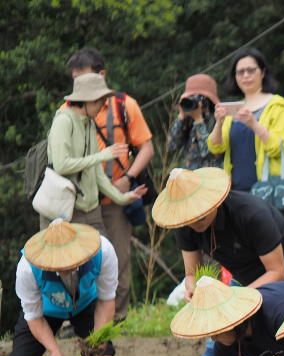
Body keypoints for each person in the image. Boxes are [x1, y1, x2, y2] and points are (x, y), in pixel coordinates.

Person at [152, 167, 284, 356]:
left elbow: (278, 272)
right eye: (190, 217)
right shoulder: (186, 224)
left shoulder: (250, 213)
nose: (196, 220)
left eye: (201, 213)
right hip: (242, 284)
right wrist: (192, 288)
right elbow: (192, 273)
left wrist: (233, 303)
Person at [66, 48, 154, 322]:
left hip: (117, 198)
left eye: (84, 79)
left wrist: (127, 179)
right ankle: (79, 319)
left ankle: (116, 318)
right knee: (78, 260)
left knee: (117, 260)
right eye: (75, 80)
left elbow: (146, 147)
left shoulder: (125, 105)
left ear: (101, 75)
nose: (78, 86)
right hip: (82, 201)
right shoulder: (67, 111)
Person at [0, 221, 120, 356]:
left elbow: (107, 300)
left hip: (86, 302)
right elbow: (34, 316)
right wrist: (54, 351)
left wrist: (98, 338)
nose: (67, 265)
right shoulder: (27, 268)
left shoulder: (103, 250)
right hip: (45, 310)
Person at [43, 73, 146, 231]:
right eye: (101, 100)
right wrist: (102, 156)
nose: (104, 104)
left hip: (91, 210)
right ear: (88, 100)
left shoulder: (89, 124)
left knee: (105, 255)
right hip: (65, 212)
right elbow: (61, 165)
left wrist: (123, 198)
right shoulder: (63, 121)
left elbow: (97, 174)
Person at [209, 47, 284, 193]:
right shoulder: (232, 109)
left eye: (251, 70)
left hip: (269, 191)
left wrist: (253, 124)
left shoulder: (278, 105)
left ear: (262, 72)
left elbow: (277, 147)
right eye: (240, 72)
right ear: (235, 77)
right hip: (235, 193)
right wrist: (218, 123)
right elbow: (216, 148)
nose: (246, 75)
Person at [167, 74, 222, 170]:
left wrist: (199, 121)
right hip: (188, 178)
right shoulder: (188, 118)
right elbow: (171, 146)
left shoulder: (218, 119)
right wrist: (181, 116)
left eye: (197, 98)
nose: (194, 102)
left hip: (210, 178)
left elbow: (208, 152)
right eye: (190, 97)